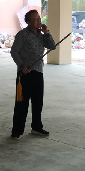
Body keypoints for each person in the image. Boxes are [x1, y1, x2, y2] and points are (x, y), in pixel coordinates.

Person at [10, 10, 56, 139]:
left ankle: (36, 126)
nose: (39, 21)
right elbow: (14, 51)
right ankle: (17, 130)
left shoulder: (42, 35)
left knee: (38, 102)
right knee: (22, 103)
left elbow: (52, 46)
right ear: (28, 22)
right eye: (35, 19)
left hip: (38, 71)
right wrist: (21, 65)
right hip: (25, 73)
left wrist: (47, 33)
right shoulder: (22, 34)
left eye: (39, 18)